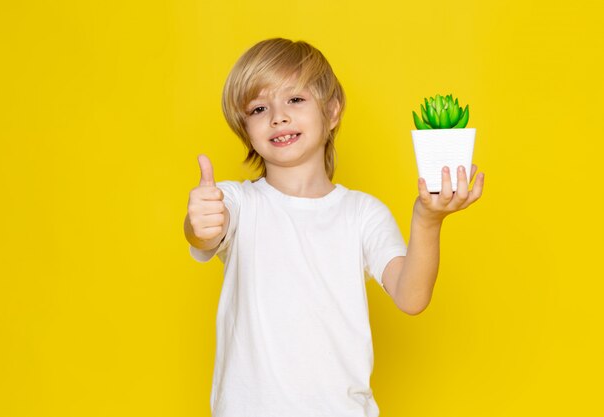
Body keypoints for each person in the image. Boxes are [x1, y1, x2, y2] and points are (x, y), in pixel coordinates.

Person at [184, 38, 484, 417]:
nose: (278, 116)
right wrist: (200, 221)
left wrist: (428, 221)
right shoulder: (238, 203)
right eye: (259, 108)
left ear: (332, 111)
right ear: (246, 129)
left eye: (295, 99)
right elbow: (206, 231)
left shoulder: (362, 213)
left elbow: (411, 297)